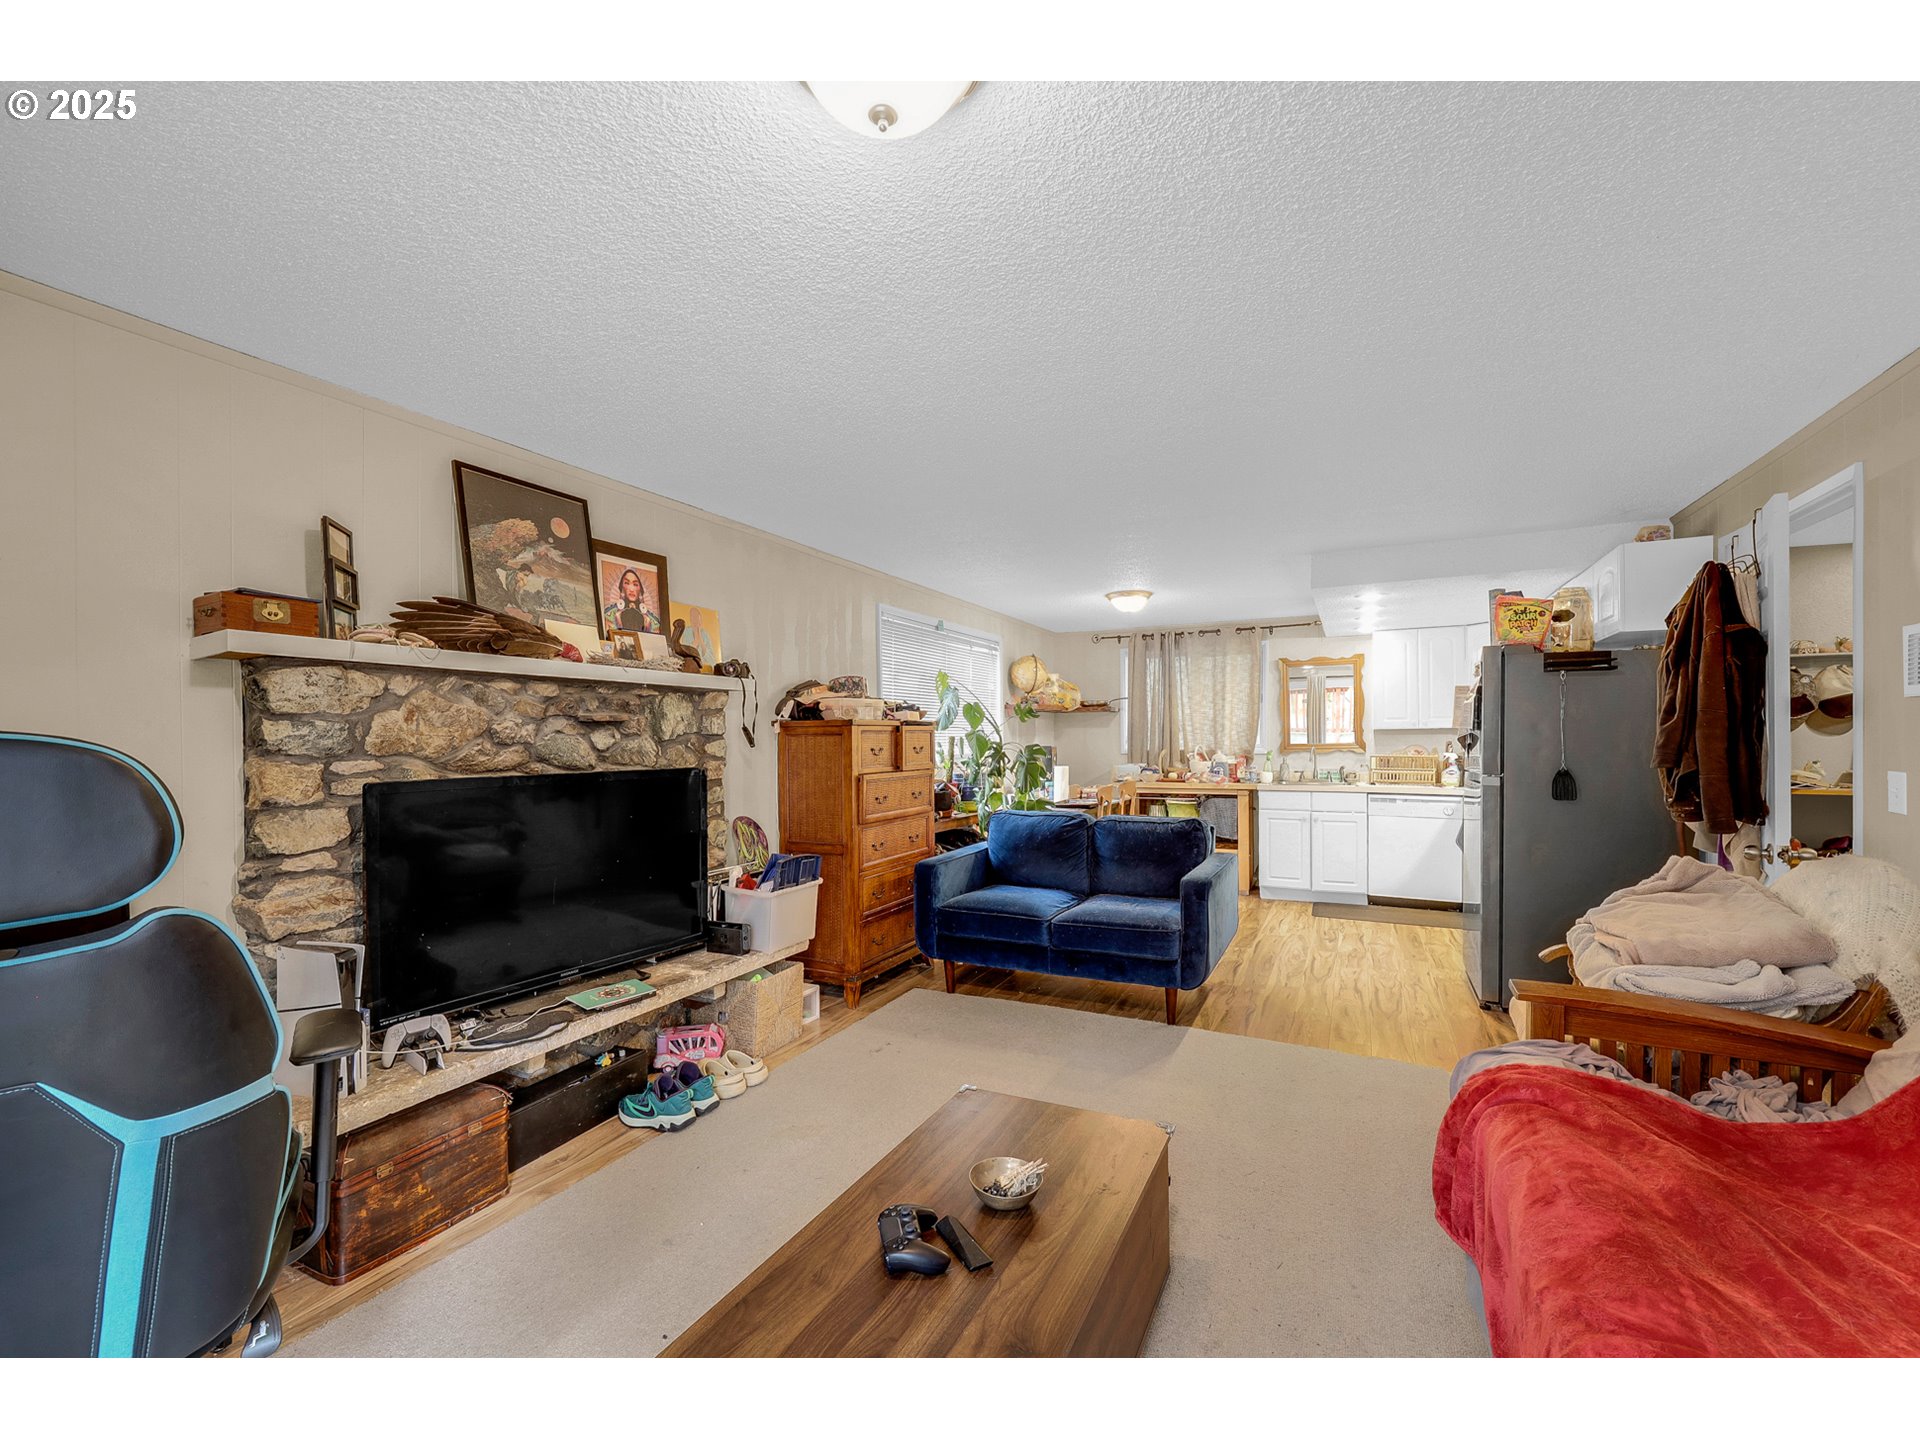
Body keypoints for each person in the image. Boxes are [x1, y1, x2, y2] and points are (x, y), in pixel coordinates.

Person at [603, 567, 659, 633]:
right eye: (627, 583)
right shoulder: (609, 615)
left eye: (635, 584)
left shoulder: (653, 621)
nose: (631, 589)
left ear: (640, 591)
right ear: (622, 588)